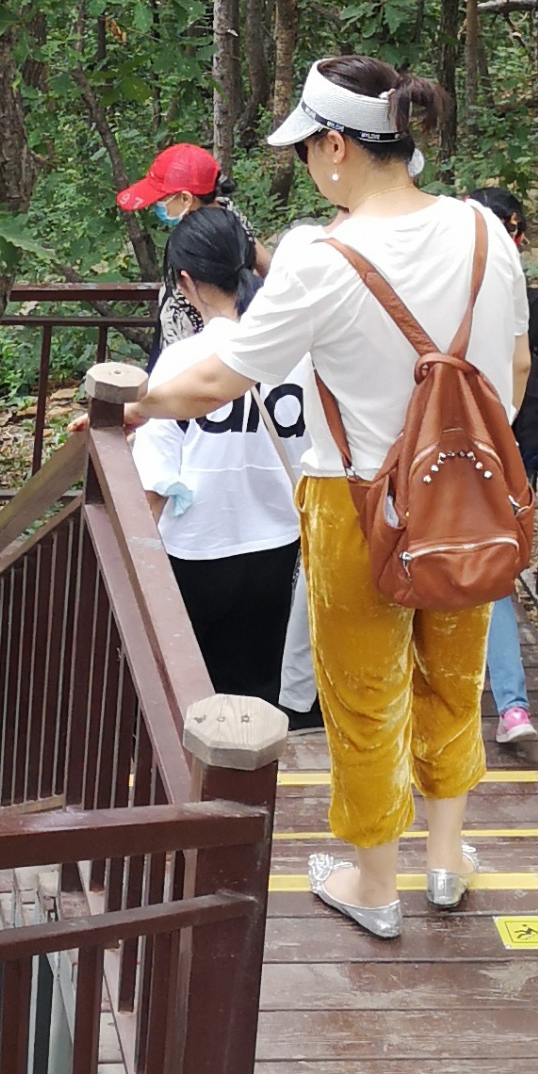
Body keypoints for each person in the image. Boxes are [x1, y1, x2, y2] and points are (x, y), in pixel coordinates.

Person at [132, 57, 529, 944]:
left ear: (338, 146)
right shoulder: (483, 233)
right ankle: (449, 859)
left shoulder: (322, 255)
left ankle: (373, 879)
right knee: (455, 677)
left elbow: (218, 377)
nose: (304, 166)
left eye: (306, 149)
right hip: (469, 494)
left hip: (357, 502)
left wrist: (134, 398)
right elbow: (513, 366)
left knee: (363, 690)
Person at [129, 208, 307, 706]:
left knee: (183, 694)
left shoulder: (185, 363)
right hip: (279, 545)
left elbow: (154, 483)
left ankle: (189, 785)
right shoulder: (299, 355)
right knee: (255, 694)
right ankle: (248, 781)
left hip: (195, 552)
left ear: (188, 282)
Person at [471, 186, 538, 748]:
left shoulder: (444, 295)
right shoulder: (536, 304)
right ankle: (511, 706)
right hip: (507, 461)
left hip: (446, 454)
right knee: (496, 580)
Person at [115, 140, 265, 346]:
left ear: (186, 199)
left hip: (201, 356)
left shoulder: (209, 242)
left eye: (162, 199)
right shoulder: (231, 218)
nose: (157, 206)